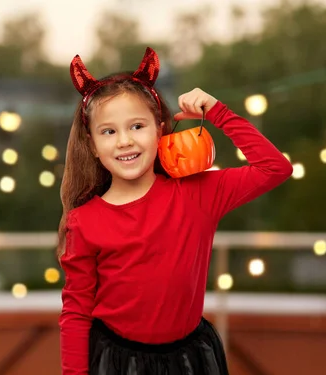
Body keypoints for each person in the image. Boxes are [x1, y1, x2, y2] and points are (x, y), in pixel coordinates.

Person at [56, 47, 293, 375]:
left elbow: (275, 168)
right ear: (93, 146)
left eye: (137, 126)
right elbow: (76, 313)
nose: (125, 141)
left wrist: (218, 113)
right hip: (117, 364)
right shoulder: (84, 221)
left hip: (190, 361)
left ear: (160, 129)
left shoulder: (198, 193)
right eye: (109, 131)